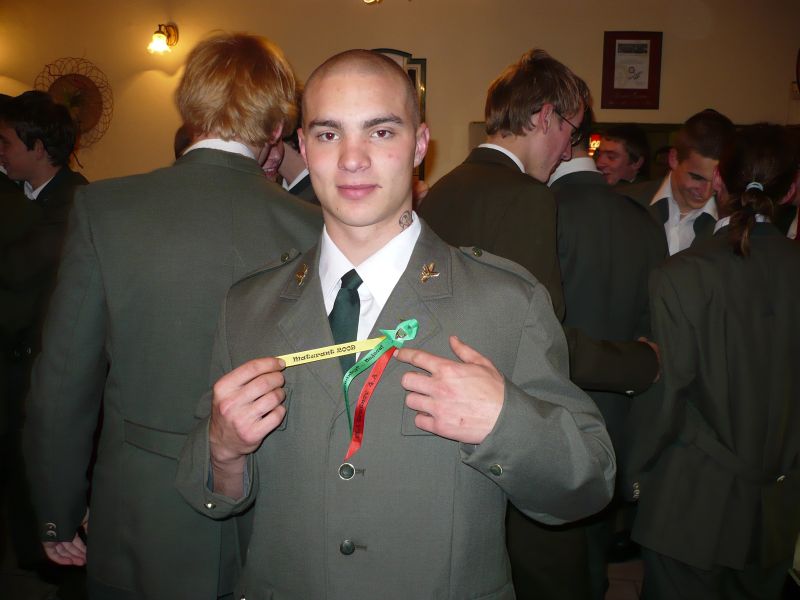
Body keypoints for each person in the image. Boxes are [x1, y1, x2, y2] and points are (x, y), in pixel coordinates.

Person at [176, 49, 615, 599]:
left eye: (380, 132)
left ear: (420, 145)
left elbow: (588, 486)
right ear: (303, 148)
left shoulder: (507, 302)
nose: (352, 159)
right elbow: (208, 492)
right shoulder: (247, 306)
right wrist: (221, 450)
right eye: (329, 134)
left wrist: (504, 423)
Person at [24, 33, 322, 600]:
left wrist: (57, 511)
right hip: (270, 511)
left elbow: (62, 382)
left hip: (140, 515)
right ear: (276, 129)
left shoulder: (106, 209)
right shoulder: (315, 228)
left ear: (189, 107)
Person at [420, 50, 659, 398]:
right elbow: (540, 339)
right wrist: (641, 363)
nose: (567, 153)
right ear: (547, 117)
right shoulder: (528, 197)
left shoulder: (442, 189)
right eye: (571, 133)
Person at [626, 124, 800, 599]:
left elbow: (666, 399)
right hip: (776, 508)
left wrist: (630, 476)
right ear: (791, 189)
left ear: (718, 180)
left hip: (691, 505)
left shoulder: (680, 274)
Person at [539, 108, 667, 600]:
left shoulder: (543, 210)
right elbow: (653, 325)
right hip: (622, 412)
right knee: (593, 556)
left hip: (554, 411)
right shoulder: (642, 218)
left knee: (550, 565)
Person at [0, 90, 87, 581]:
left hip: (45, 371)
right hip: (12, 367)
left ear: (37, 147)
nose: (0, 153)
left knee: (40, 478)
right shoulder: (20, 197)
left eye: (5, 142)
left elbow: (17, 270)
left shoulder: (78, 200)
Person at [626, 109, 735, 255]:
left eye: (717, 182)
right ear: (674, 159)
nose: (707, 192)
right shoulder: (626, 201)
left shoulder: (734, 223)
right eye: (697, 178)